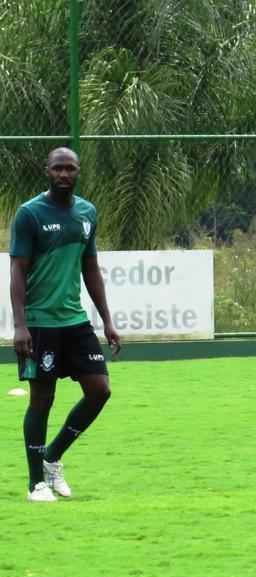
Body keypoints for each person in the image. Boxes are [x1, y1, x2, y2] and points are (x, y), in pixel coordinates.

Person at [9, 147, 120, 502]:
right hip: (40, 323)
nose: (64, 174)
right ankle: (35, 483)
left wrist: (107, 320)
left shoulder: (87, 212)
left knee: (100, 390)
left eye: (70, 168)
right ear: (47, 171)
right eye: (58, 168)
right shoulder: (29, 214)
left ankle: (52, 456)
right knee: (42, 398)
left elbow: (90, 268)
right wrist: (20, 326)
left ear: (78, 172)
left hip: (74, 320)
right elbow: (18, 270)